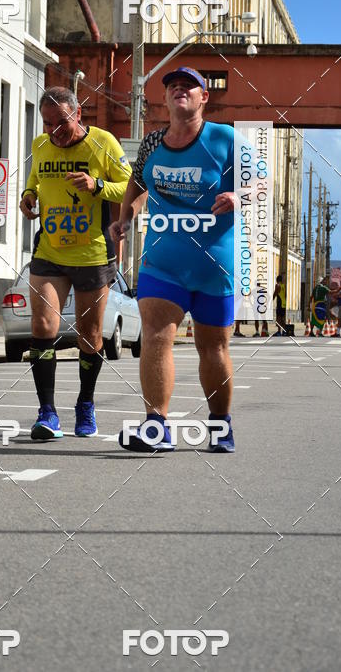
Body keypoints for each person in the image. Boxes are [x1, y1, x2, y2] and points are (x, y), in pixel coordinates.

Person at [110, 66, 237, 453]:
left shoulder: (226, 139)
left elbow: (260, 185)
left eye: (189, 86)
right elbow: (137, 181)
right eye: (172, 87)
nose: (180, 90)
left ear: (204, 98)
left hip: (214, 264)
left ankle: (220, 425)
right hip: (162, 262)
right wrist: (124, 218)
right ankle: (156, 426)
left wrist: (239, 197)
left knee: (212, 348)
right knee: (155, 335)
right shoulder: (151, 144)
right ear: (164, 100)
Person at [19, 86, 131, 440]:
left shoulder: (103, 143)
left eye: (61, 122)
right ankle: (47, 413)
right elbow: (35, 180)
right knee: (42, 326)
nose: (54, 131)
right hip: (50, 251)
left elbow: (131, 186)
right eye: (47, 123)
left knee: (90, 335)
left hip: (92, 254)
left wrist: (97, 184)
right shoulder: (40, 146)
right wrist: (28, 196)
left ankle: (85, 403)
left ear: (78, 114)